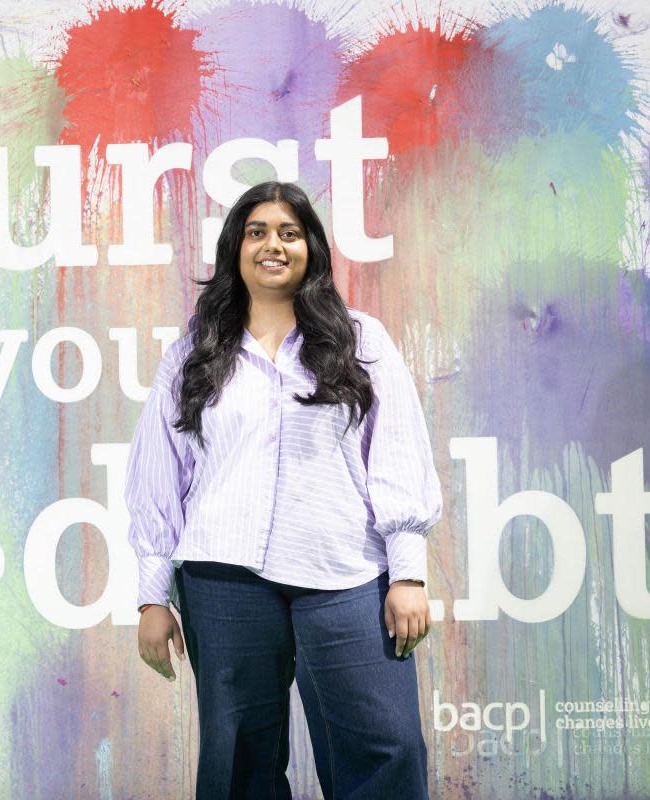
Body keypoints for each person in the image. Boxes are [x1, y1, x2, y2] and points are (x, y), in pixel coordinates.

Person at [124, 181, 442, 799]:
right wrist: (152, 598)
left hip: (343, 572)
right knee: (238, 756)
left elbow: (397, 453)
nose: (274, 244)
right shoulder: (194, 352)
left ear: (311, 250)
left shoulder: (359, 340)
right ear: (235, 249)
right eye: (258, 232)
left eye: (290, 233)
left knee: (386, 745)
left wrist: (407, 574)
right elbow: (160, 476)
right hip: (224, 578)